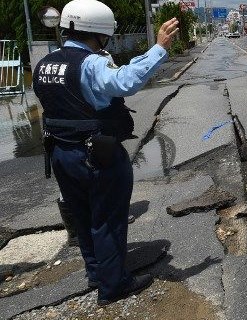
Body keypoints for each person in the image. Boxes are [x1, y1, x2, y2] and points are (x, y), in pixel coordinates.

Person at [32, 0, 179, 306]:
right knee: (108, 219)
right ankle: (113, 286)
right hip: (96, 154)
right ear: (100, 32)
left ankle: (97, 273)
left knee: (83, 218)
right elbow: (125, 80)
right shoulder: (91, 63)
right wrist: (159, 48)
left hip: (61, 153)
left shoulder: (46, 64)